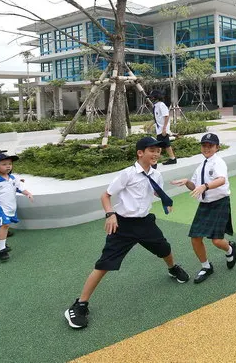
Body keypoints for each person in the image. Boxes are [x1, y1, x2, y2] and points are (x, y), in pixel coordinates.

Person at [64, 136, 190, 329]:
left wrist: (164, 196)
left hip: (145, 223)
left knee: (164, 248)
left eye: (158, 151)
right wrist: (110, 214)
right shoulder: (127, 174)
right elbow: (105, 195)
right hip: (123, 226)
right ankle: (80, 304)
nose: (156, 154)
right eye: (152, 150)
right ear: (140, 153)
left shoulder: (155, 175)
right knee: (104, 263)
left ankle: (173, 268)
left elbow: (153, 191)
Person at [171, 133, 236, 283]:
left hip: (219, 202)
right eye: (204, 145)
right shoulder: (202, 165)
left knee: (217, 241)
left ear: (217, 147)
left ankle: (230, 249)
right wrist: (187, 181)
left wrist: (205, 186)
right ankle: (206, 266)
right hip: (205, 205)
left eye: (210, 146)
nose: (206, 148)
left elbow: (221, 180)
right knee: (195, 237)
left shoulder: (218, 162)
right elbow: (195, 186)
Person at [150, 90, 177, 164]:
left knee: (159, 145)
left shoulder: (161, 105)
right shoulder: (156, 106)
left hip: (163, 129)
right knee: (166, 145)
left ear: (156, 97)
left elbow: (166, 116)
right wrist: (149, 125)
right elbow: (157, 118)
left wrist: (164, 128)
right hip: (160, 129)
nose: (151, 99)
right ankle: (172, 158)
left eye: (152, 97)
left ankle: (154, 162)